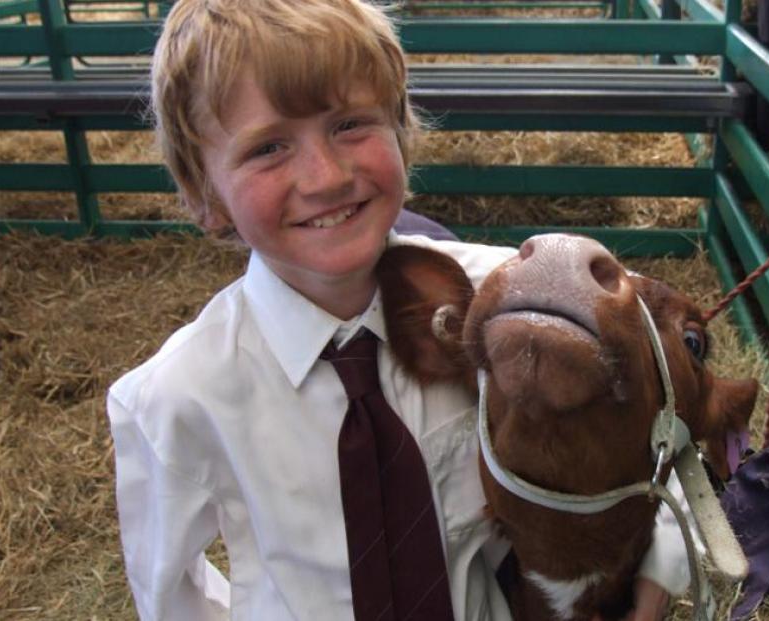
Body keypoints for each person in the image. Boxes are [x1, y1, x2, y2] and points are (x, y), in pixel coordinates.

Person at [107, 0, 690, 618]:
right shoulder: (175, 400)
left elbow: (656, 381)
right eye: (268, 148)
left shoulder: (498, 303)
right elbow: (172, 594)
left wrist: (658, 575)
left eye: (350, 124)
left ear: (400, 128)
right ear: (205, 196)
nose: (326, 176)